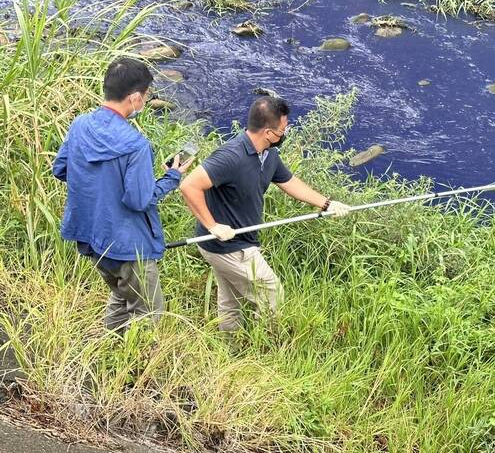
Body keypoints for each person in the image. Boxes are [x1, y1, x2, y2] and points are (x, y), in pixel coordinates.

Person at [180, 95, 351, 333]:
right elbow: (189, 186)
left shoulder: (269, 155)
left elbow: (290, 182)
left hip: (242, 241)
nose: (285, 132)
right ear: (269, 133)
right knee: (272, 293)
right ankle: (267, 344)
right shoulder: (231, 156)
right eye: (283, 129)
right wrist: (212, 226)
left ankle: (229, 349)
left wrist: (327, 203)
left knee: (231, 301)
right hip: (226, 245)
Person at [53, 57, 193, 332]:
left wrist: (98, 183)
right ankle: (140, 370)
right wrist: (172, 178)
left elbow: (60, 169)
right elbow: (138, 200)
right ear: (135, 98)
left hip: (92, 238)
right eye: (147, 96)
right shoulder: (136, 145)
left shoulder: (80, 125)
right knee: (148, 313)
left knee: (120, 295)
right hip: (129, 246)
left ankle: (111, 352)